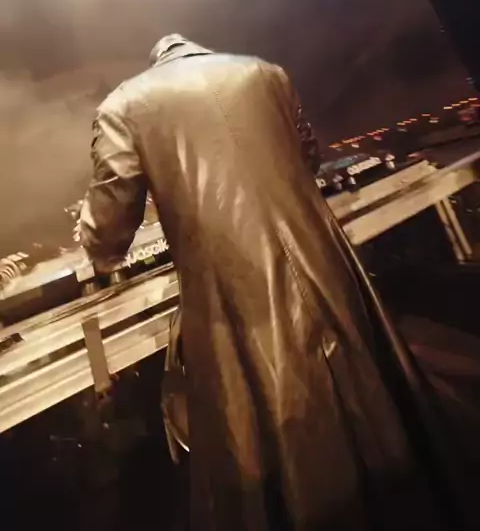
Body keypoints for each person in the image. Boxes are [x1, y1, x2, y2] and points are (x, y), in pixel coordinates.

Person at [80, 35, 469, 531]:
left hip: (234, 290)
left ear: (156, 61)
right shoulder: (266, 73)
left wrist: (104, 249)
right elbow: (308, 157)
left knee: (265, 427)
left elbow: (109, 227)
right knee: (363, 387)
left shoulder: (123, 106)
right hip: (325, 262)